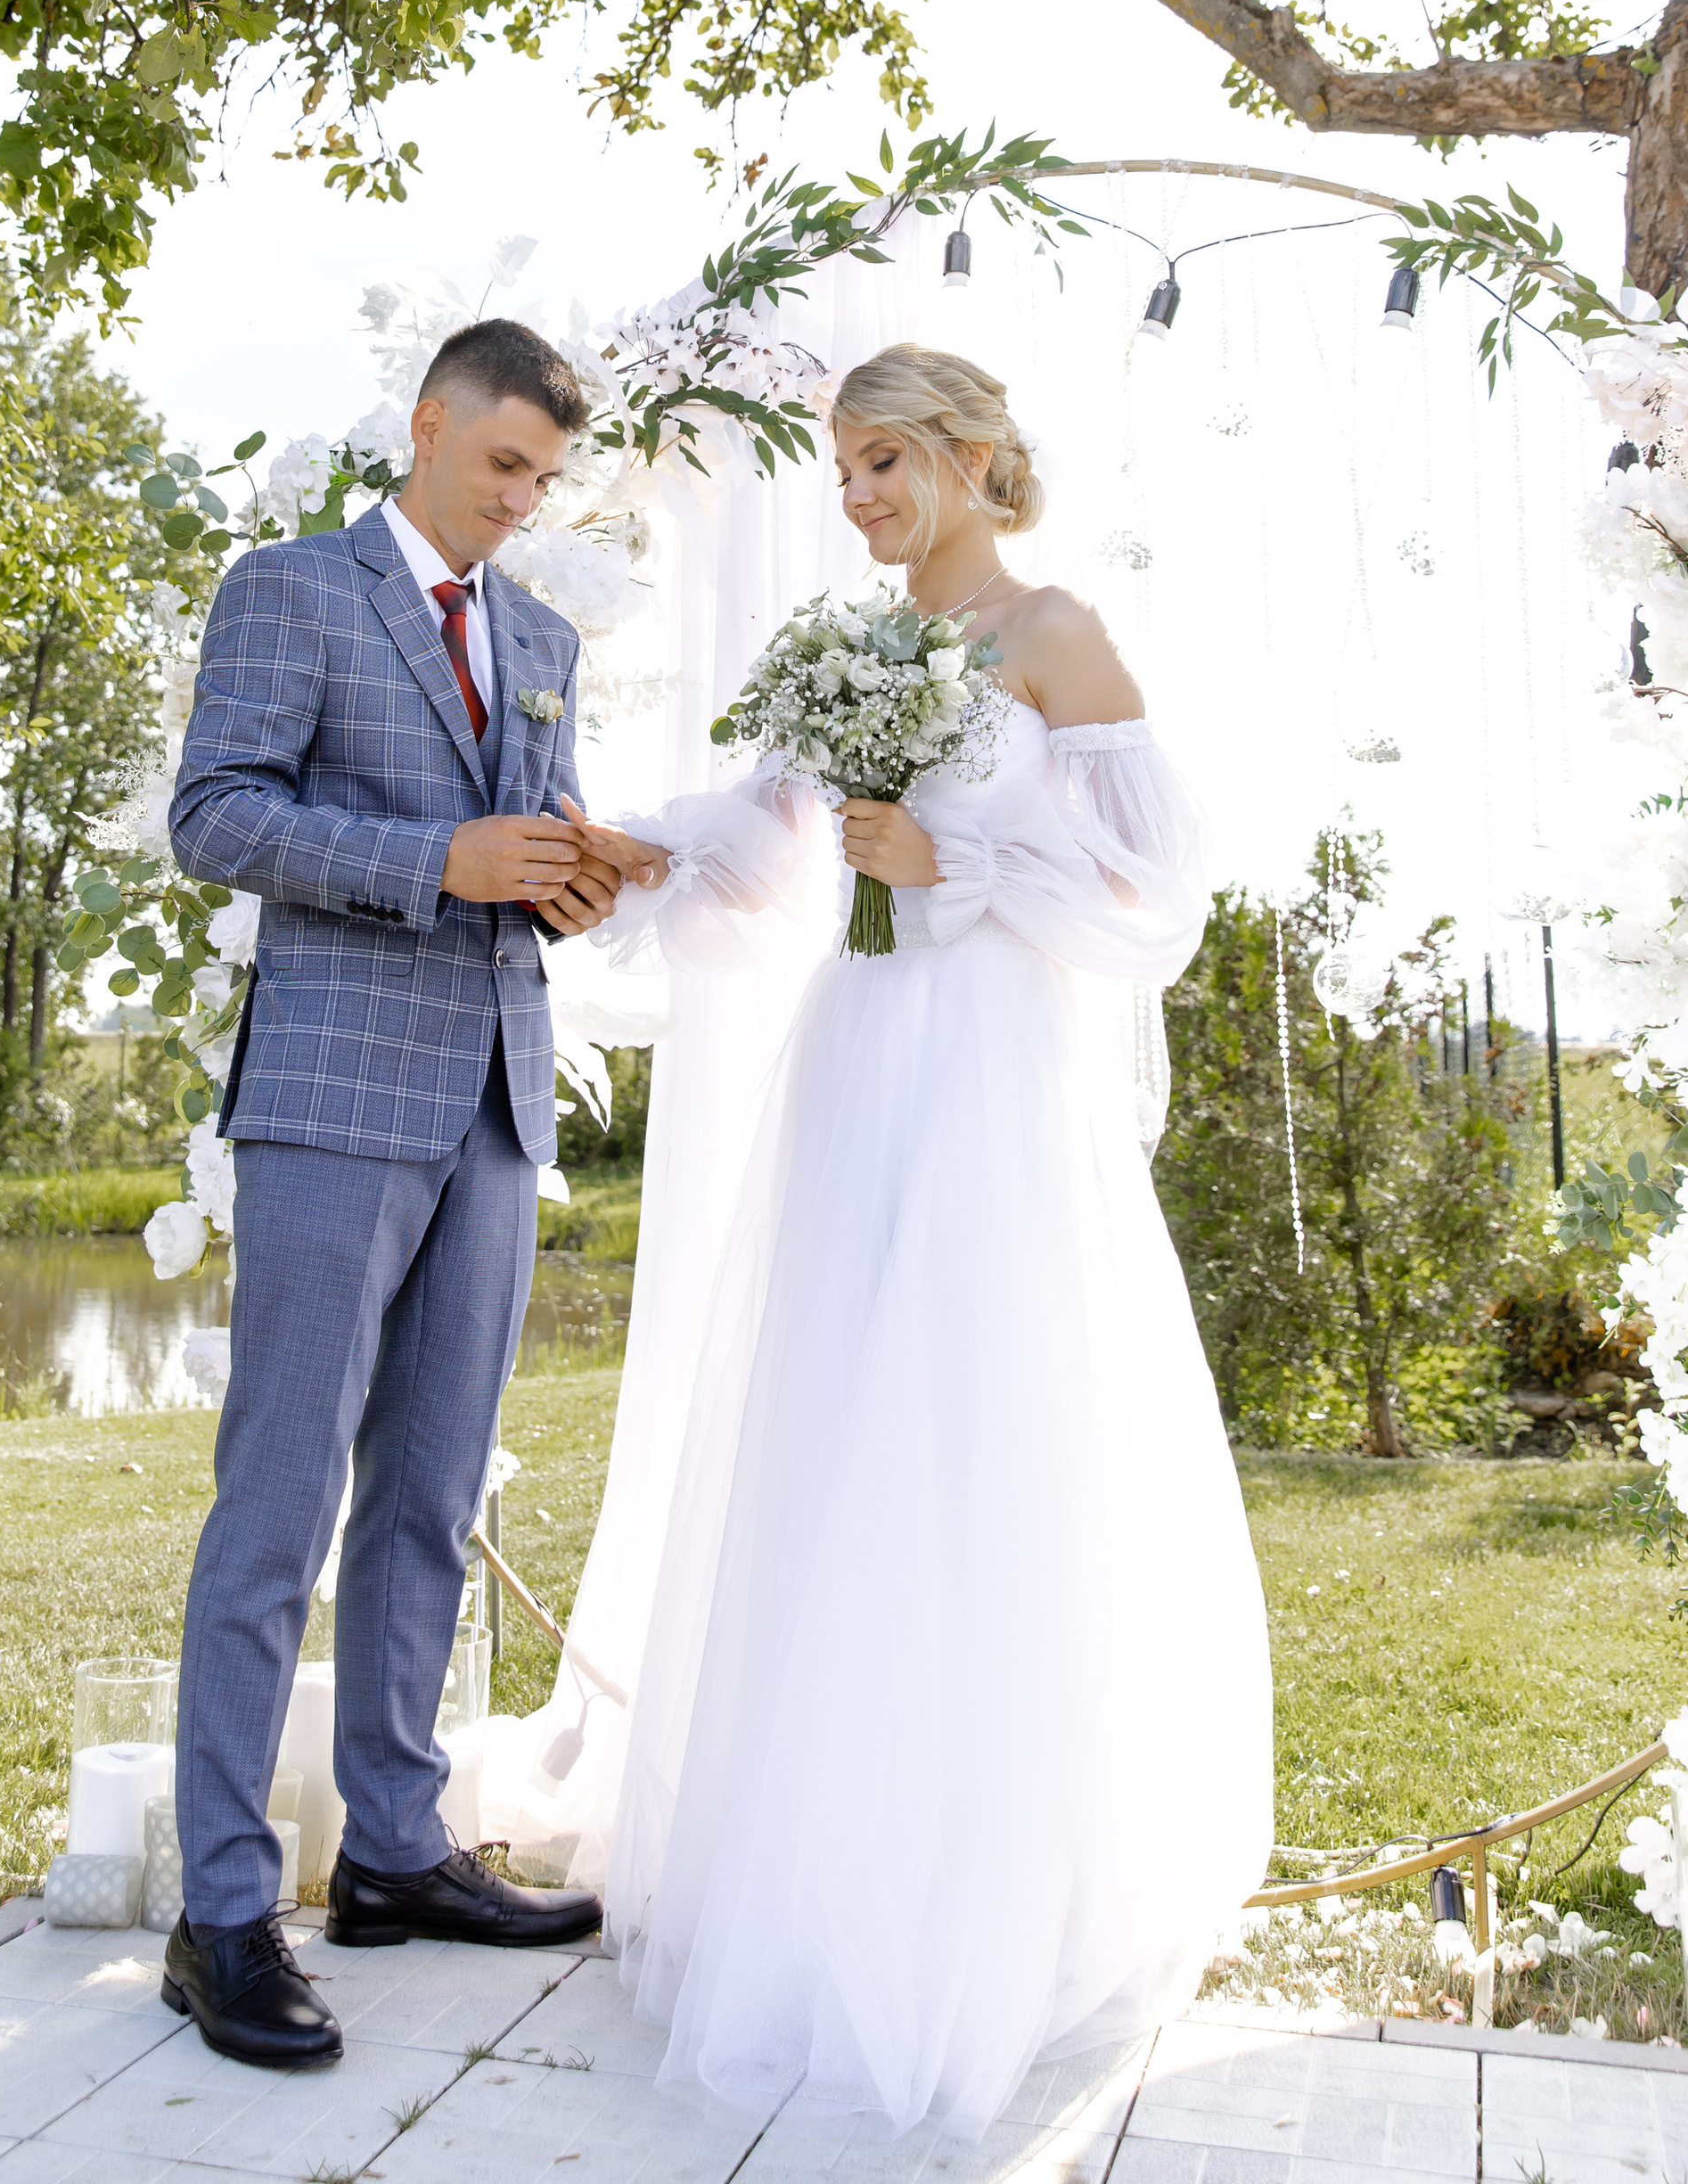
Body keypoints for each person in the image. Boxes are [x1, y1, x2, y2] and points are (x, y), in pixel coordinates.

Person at [577, 341, 1274, 2136]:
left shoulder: (1054, 637)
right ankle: (829, 1870)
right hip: (863, 1060)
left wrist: (948, 872)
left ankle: (995, 1893)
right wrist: (626, 847)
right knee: (840, 1435)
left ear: (972, 456)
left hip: (990, 1074)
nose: (859, 493)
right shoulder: (859, 654)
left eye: (884, 458)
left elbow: (1154, 900)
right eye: (841, 465)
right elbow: (765, 844)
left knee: (980, 1427)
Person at [160, 318, 619, 2071]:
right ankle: (219, 1912)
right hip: (333, 1097)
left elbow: (529, 839)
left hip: (495, 1098)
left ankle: (397, 1852)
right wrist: (436, 859)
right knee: (276, 1504)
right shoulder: (289, 588)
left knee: (426, 1498)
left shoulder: (547, 637)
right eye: (501, 463)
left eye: (541, 478)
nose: (519, 500)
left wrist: (576, 869)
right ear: (425, 425)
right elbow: (215, 813)